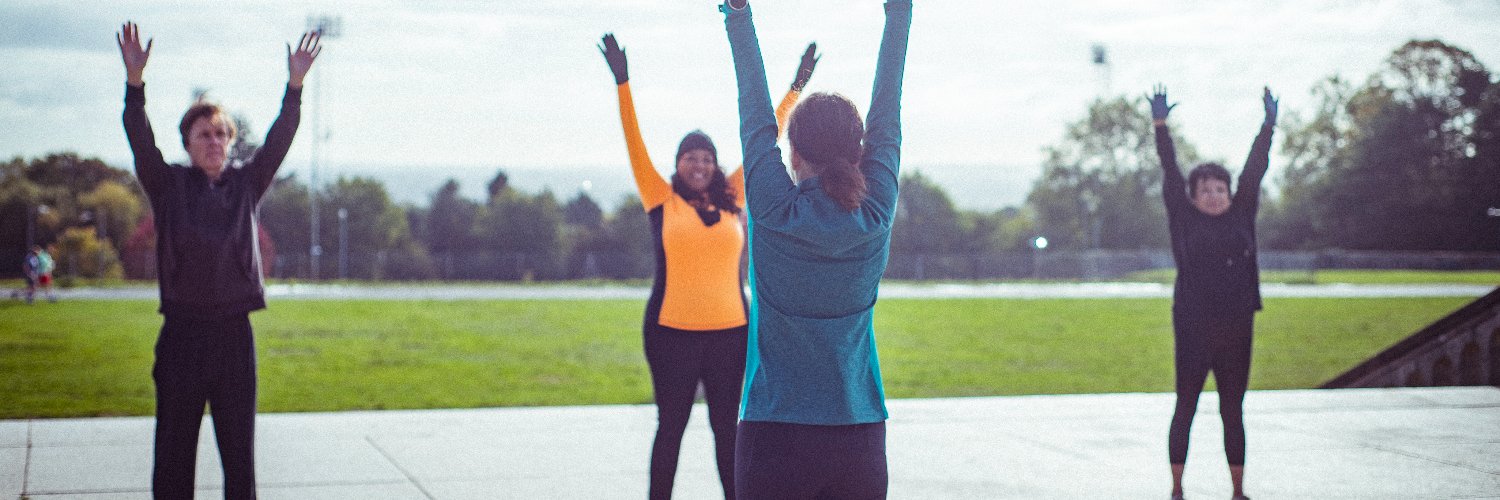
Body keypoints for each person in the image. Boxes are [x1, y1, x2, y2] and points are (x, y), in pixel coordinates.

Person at [600, 32, 819, 500]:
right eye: (689, 157)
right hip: (670, 334)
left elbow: (769, 132)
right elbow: (634, 141)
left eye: (706, 158)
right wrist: (623, 82)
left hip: (730, 334)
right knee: (671, 429)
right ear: (677, 164)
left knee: (728, 434)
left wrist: (797, 86)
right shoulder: (660, 199)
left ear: (715, 165)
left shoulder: (734, 197)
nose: (698, 165)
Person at [118, 21, 321, 499]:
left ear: (231, 143)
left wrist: (294, 87)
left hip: (234, 337)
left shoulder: (246, 186)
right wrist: (134, 84)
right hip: (182, 337)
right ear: (187, 142)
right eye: (204, 134)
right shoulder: (168, 186)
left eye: (222, 134)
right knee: (172, 458)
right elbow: (139, 139)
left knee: (239, 461)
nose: (214, 141)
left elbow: (278, 142)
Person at [721, 0, 910, 498]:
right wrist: (899, 13)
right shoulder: (875, 212)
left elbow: (754, 117)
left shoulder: (773, 210)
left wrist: (738, 15)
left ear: (793, 154)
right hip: (858, 435)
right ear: (859, 152)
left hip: (773, 433)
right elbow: (888, 111)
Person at [1149, 84, 1277, 500]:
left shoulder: (1242, 211)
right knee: (1185, 405)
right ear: (1193, 195)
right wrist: (1160, 126)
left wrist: (1268, 124)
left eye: (1220, 188)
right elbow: (1169, 170)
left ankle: (1238, 491)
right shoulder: (1183, 218)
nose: (1214, 195)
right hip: (1192, 325)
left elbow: (1255, 168)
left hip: (1236, 326)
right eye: (1205, 189)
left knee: (1232, 410)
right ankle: (1176, 489)